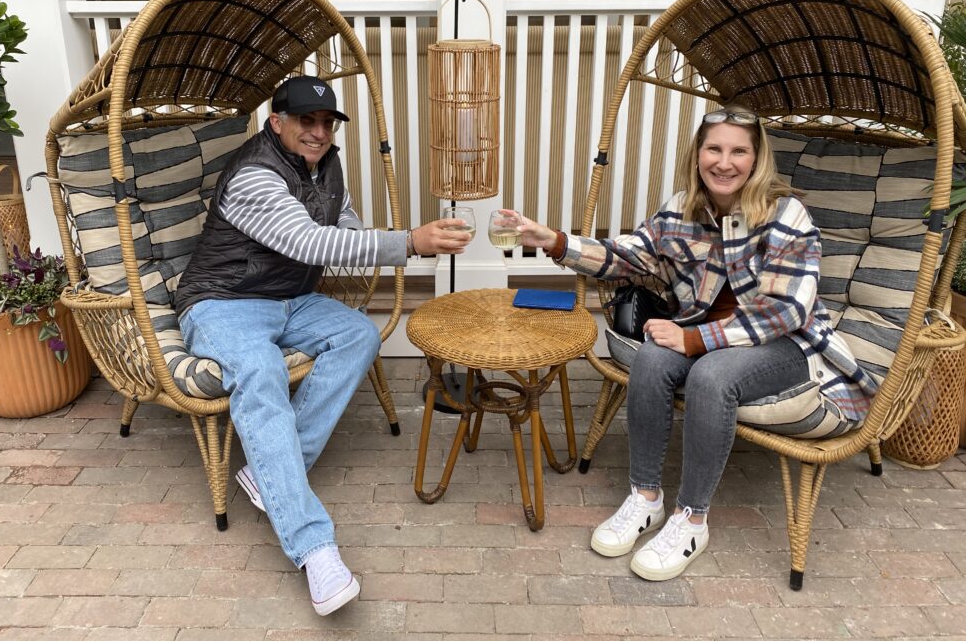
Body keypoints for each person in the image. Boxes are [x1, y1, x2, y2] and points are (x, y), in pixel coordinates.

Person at [510, 105, 874, 581]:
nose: (725, 162)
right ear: (698, 154)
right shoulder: (682, 209)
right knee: (654, 357)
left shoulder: (787, 214)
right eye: (714, 148)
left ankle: (692, 519)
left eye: (738, 151)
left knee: (710, 374)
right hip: (707, 334)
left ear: (757, 157)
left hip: (788, 347)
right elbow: (629, 255)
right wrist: (554, 241)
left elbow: (787, 312)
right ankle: (645, 497)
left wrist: (697, 338)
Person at [174, 75, 471, 615]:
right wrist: (409, 242)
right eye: (305, 121)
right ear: (276, 122)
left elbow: (343, 224)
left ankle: (270, 470)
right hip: (222, 302)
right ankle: (315, 549)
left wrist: (372, 237)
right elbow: (311, 241)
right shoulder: (253, 175)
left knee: (358, 334)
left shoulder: (326, 164)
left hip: (289, 299)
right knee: (260, 371)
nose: (317, 132)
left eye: (326, 123)